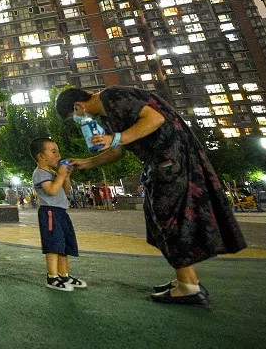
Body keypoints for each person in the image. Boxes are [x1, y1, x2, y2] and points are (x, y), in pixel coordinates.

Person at [57, 87, 246, 306]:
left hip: (171, 159)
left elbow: (154, 119)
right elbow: (118, 150)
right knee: (162, 220)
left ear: (78, 107)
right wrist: (87, 162)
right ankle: (187, 279)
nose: (79, 121)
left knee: (170, 220)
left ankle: (189, 287)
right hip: (162, 162)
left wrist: (116, 137)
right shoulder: (107, 116)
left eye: (74, 117)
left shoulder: (113, 97)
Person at [30, 137, 87, 292]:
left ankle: (64, 275)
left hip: (61, 211)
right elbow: (52, 190)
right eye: (53, 151)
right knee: (54, 244)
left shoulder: (53, 173)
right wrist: (61, 175)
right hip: (50, 212)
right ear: (40, 156)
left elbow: (65, 191)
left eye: (58, 151)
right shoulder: (40, 173)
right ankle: (52, 276)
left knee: (64, 244)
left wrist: (66, 176)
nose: (58, 155)